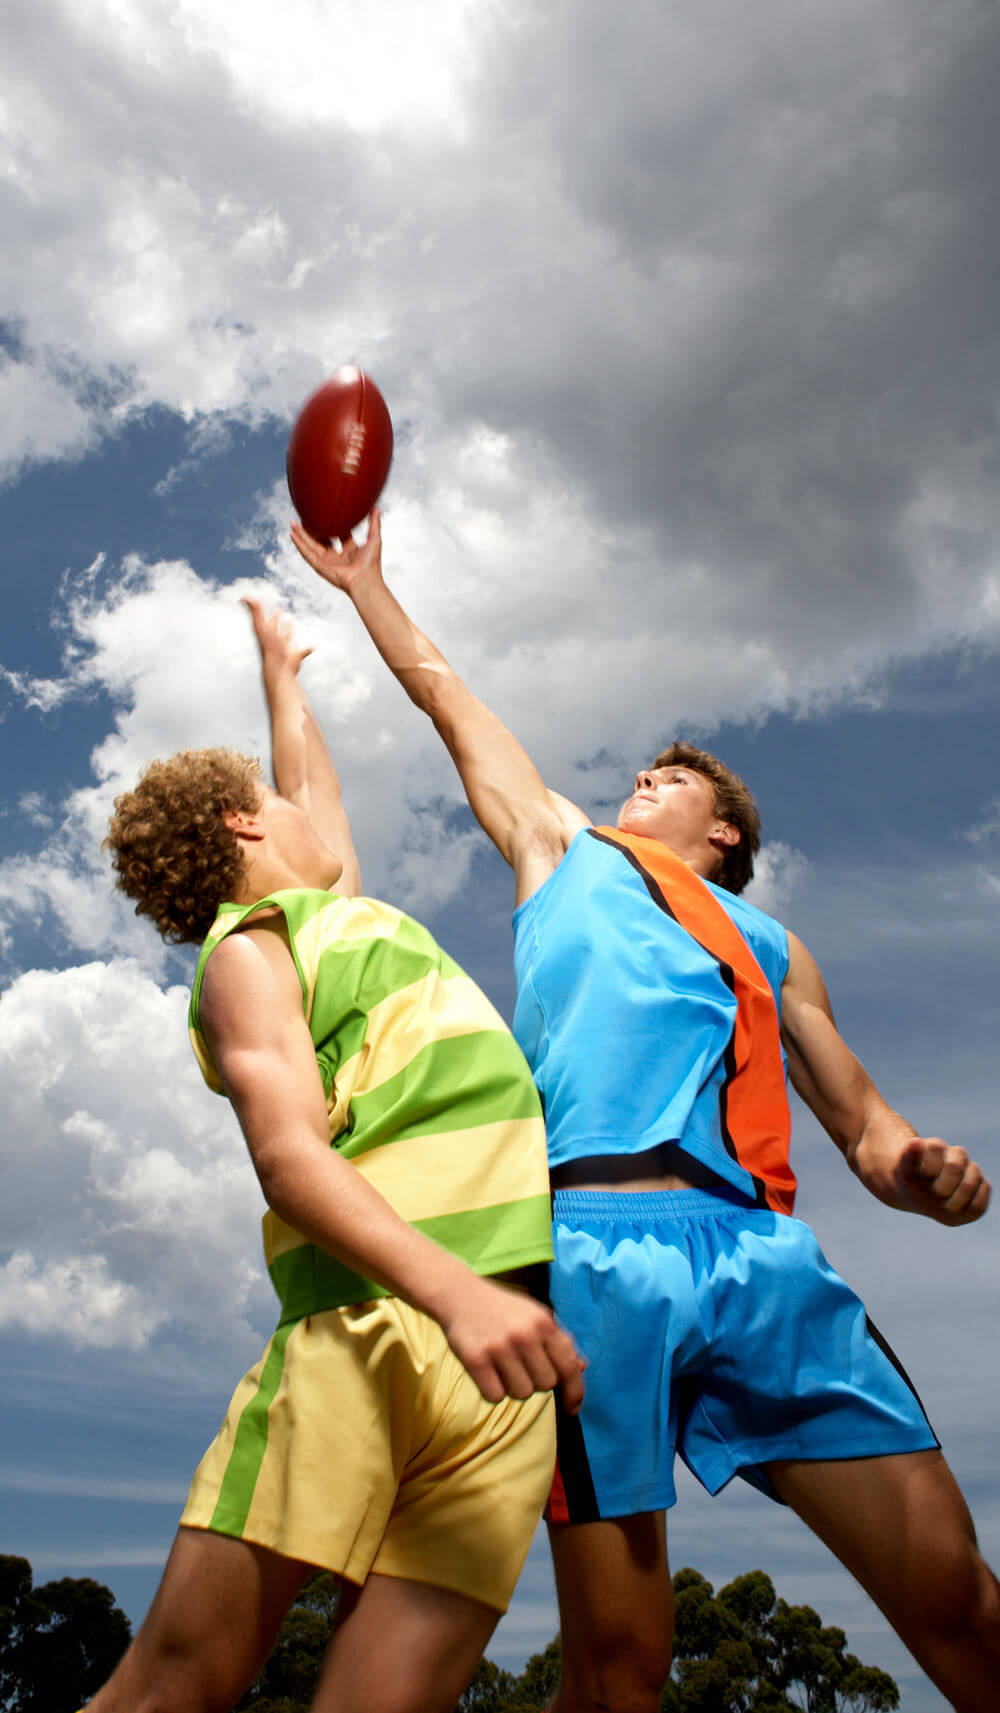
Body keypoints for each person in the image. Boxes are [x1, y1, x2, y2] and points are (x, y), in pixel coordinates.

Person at [291, 507, 1000, 1713]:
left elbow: (866, 1134)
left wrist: (929, 1178)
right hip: (585, 1258)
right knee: (621, 1669)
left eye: (667, 779)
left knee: (958, 1601)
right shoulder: (559, 849)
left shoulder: (774, 946)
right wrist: (365, 586)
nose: (637, 781)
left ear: (724, 831)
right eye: (638, 773)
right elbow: (447, 699)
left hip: (760, 1258)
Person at [90, 599, 584, 1713]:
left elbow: (310, 780)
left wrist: (283, 674)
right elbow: (288, 1159)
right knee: (173, 1689)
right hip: (371, 1322)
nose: (307, 804)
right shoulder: (251, 950)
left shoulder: (344, 914)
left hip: (503, 1358)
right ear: (241, 824)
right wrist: (454, 1291)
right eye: (274, 800)